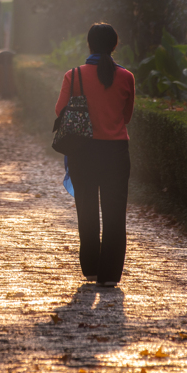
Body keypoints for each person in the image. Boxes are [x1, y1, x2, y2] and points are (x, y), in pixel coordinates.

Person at [54, 22, 135, 287]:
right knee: (115, 215)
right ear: (114, 46)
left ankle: (90, 268)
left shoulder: (73, 75)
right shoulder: (126, 77)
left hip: (83, 152)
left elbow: (59, 111)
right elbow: (127, 117)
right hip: (115, 153)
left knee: (87, 211)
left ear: (89, 45)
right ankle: (110, 276)